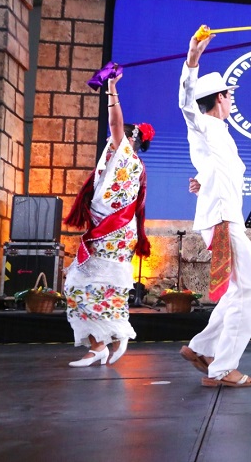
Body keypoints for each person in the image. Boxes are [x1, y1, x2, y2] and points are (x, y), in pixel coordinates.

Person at [178, 31, 251, 388]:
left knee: (237, 291)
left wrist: (200, 179)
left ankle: (203, 349)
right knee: (247, 290)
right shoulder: (204, 125)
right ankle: (224, 367)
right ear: (221, 98)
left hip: (225, 216)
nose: (231, 101)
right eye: (229, 96)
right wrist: (193, 59)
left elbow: (214, 169)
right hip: (223, 220)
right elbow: (185, 102)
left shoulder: (220, 133)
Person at [63, 73, 152, 367]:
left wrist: (111, 89)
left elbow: (115, 124)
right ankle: (102, 342)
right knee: (82, 286)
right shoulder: (120, 159)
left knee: (84, 284)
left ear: (129, 140)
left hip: (112, 231)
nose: (108, 139)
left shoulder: (125, 155)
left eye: (115, 136)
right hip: (108, 228)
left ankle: (108, 338)